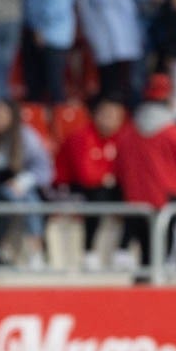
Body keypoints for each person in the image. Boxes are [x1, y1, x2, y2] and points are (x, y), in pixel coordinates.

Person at [112, 72, 176, 269]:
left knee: (146, 260)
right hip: (169, 199)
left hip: (136, 201)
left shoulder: (128, 132)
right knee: (167, 261)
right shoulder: (173, 132)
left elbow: (118, 168)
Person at [54, 93, 122, 267]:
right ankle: (88, 251)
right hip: (68, 188)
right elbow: (86, 176)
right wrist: (107, 177)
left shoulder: (119, 138)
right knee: (97, 197)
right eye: (107, 114)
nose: (111, 120)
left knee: (132, 195)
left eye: (116, 115)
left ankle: (124, 249)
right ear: (96, 114)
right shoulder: (82, 137)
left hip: (103, 186)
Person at [0, 97, 50, 266]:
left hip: (17, 184)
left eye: (2, 114)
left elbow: (44, 169)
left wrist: (23, 181)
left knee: (28, 196)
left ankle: (35, 251)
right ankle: (36, 250)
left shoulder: (26, 135)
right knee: (22, 197)